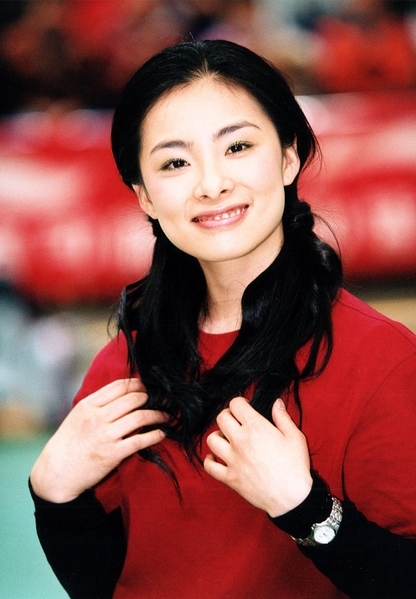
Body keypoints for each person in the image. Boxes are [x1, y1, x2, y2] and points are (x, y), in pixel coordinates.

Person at [29, 40, 416, 599]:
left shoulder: (382, 361)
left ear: (288, 157)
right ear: (144, 195)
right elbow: (106, 582)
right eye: (175, 162)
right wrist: (53, 496)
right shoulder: (121, 368)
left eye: (237, 146)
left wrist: (309, 511)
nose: (211, 184)